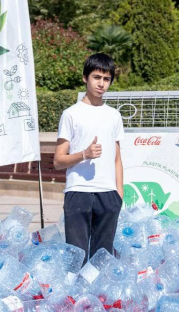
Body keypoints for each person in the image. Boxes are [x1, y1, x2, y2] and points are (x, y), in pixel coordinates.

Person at [53, 53, 124, 264]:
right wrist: (84, 154)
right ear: (85, 78)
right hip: (78, 193)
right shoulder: (71, 114)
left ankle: (99, 298)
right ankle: (77, 297)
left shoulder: (114, 115)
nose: (101, 84)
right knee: (76, 259)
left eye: (106, 79)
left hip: (108, 195)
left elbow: (117, 159)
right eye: (96, 77)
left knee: (103, 260)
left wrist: (118, 193)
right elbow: (58, 160)